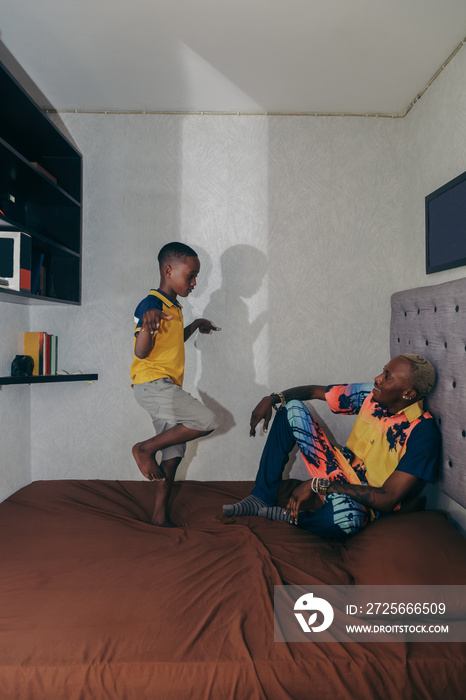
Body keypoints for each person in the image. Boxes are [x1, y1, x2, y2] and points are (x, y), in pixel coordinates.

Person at [223, 354, 440, 539]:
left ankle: (294, 518)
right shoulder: (371, 395)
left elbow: (388, 497)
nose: (378, 378)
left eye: (387, 377)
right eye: (383, 371)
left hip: (364, 499)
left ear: (409, 394)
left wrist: (318, 485)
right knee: (292, 408)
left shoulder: (423, 432)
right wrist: (272, 398)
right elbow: (314, 392)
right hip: (336, 467)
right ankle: (260, 496)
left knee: (348, 518)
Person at [131, 242, 220, 526]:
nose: (194, 282)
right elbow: (142, 351)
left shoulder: (171, 307)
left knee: (173, 455)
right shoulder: (151, 305)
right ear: (168, 271)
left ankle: (159, 516)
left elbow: (168, 342)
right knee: (205, 419)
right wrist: (147, 325)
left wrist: (193, 326)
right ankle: (144, 449)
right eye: (190, 275)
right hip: (152, 385)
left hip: (163, 386)